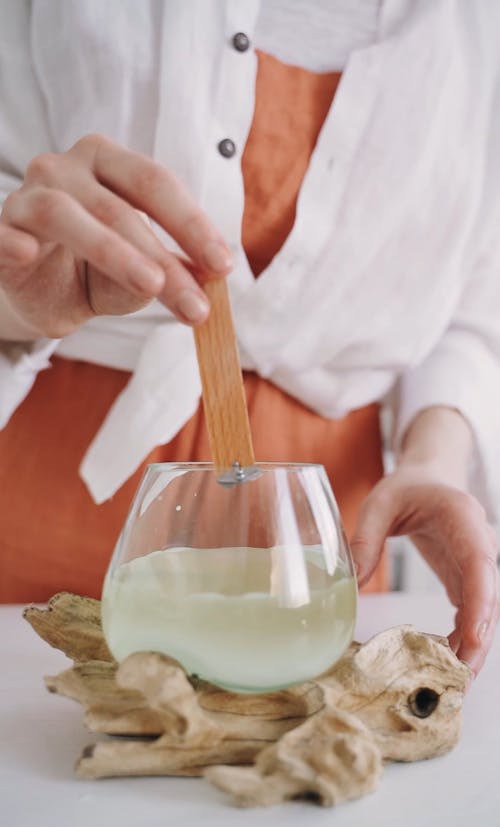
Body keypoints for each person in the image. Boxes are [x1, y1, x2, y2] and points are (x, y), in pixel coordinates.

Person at [0, 0, 499, 677]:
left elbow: (465, 297)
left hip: (318, 555)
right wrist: (17, 305)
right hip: (43, 514)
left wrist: (433, 462)